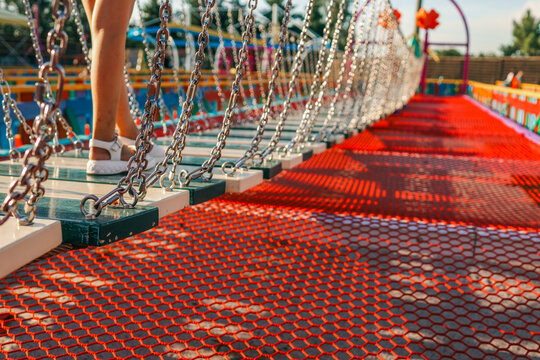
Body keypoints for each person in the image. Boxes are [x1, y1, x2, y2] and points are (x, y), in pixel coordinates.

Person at [81, 0, 164, 175]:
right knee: (110, 26)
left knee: (102, 26)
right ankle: (103, 143)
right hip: (103, 146)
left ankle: (126, 131)